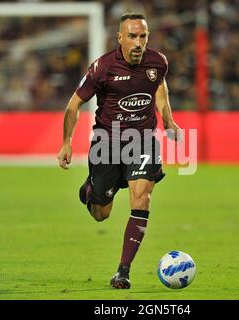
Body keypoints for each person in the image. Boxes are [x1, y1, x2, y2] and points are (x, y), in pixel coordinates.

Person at [57, 13, 181, 289]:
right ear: (120, 38)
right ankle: (91, 189)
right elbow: (73, 105)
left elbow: (158, 86)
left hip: (143, 140)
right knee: (102, 213)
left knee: (142, 197)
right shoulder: (102, 68)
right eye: (133, 36)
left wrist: (168, 119)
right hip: (107, 144)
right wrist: (67, 142)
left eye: (143, 36)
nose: (139, 42)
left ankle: (123, 271)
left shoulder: (158, 62)